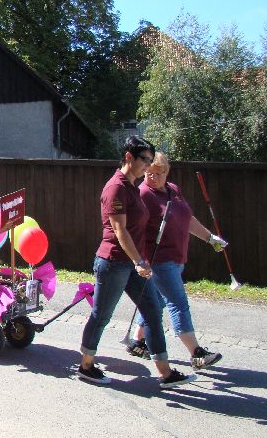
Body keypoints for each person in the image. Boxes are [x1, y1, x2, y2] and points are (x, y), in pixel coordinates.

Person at [77, 136, 197, 389]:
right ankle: (86, 365)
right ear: (129, 157)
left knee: (153, 311)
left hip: (132, 264)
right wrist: (139, 261)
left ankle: (165, 373)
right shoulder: (116, 188)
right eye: (145, 160)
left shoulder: (132, 185)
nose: (148, 165)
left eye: (151, 160)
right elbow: (119, 230)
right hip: (113, 263)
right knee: (101, 315)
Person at [126, 151, 226, 370]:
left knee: (156, 301)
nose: (153, 177)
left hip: (177, 257)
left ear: (167, 172)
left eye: (158, 173)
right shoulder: (143, 194)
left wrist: (210, 238)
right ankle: (196, 353)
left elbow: (187, 219)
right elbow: (132, 229)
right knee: (178, 303)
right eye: (149, 172)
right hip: (159, 260)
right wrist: (138, 259)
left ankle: (137, 341)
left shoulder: (173, 190)